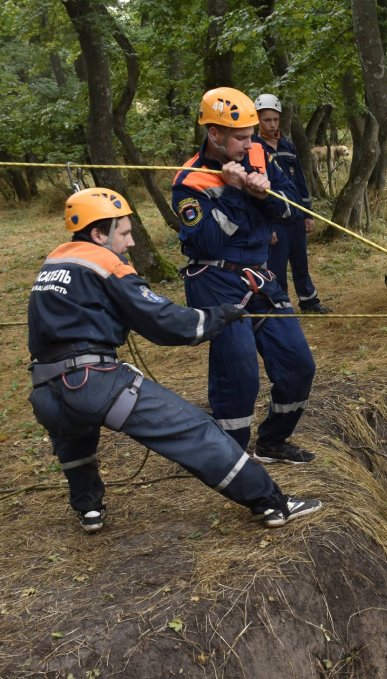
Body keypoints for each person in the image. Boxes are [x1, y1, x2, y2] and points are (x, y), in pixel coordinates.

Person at [27, 187, 322, 532]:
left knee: (73, 435)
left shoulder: (55, 263)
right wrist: (220, 316)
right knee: (194, 431)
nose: (131, 242)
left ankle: (88, 509)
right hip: (94, 382)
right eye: (123, 232)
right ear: (97, 234)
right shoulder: (105, 263)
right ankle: (271, 503)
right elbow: (166, 323)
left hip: (46, 391)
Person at [171, 87, 317, 464]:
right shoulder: (190, 182)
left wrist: (264, 194)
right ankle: (231, 460)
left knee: (298, 365)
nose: (248, 143)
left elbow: (294, 208)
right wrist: (236, 192)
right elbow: (209, 242)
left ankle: (272, 441)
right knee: (239, 374)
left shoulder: (260, 157)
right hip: (215, 280)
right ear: (214, 134)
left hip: (261, 278)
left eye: (251, 134)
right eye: (239, 137)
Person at [252, 93, 331, 314]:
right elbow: (253, 193)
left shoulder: (287, 146)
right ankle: (280, 305)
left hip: (295, 215)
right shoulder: (253, 149)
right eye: (267, 119)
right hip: (274, 220)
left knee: (300, 261)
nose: (272, 124)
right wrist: (266, 226)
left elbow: (299, 181)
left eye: (275, 119)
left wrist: (308, 213)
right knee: (276, 266)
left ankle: (309, 301)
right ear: (257, 119)